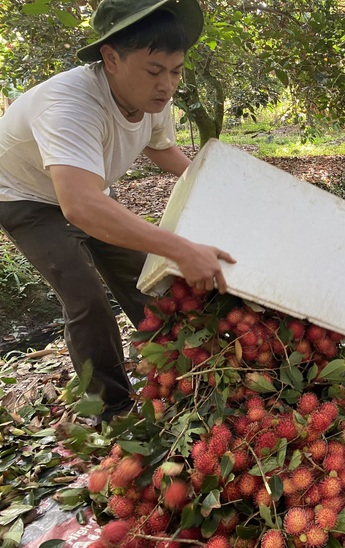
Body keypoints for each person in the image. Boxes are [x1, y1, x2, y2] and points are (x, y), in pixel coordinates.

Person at [0, 0, 235, 422]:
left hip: (86, 191)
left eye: (176, 70)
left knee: (146, 276)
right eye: (153, 71)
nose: (167, 85)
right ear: (111, 58)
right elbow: (80, 206)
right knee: (86, 298)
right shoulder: (70, 106)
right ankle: (114, 409)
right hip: (24, 196)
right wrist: (181, 247)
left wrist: (223, 191)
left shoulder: (150, 101)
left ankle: (175, 369)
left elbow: (164, 152)